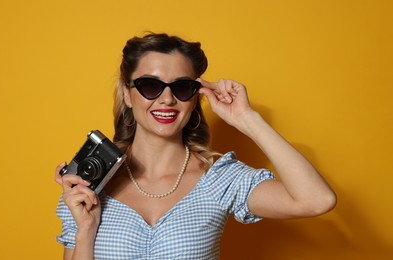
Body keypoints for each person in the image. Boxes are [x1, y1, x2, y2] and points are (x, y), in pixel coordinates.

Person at [55, 33, 336, 259]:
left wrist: (247, 120)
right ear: (128, 94)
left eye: (181, 87)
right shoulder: (90, 183)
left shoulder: (219, 179)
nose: (166, 99)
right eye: (150, 85)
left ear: (195, 97)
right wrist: (86, 231)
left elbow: (316, 200)